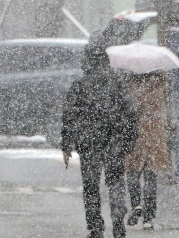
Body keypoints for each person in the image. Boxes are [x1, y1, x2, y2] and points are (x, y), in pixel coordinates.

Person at [61, 47, 139, 238]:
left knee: (90, 186)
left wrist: (66, 144)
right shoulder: (118, 85)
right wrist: (129, 140)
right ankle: (119, 224)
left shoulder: (80, 85)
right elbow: (130, 113)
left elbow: (69, 116)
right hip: (115, 142)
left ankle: (95, 227)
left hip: (89, 143)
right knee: (116, 183)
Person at [123, 71, 172, 231]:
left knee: (132, 173)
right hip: (155, 135)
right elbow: (168, 108)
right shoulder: (161, 84)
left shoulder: (129, 85)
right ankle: (149, 218)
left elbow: (125, 109)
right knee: (151, 176)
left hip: (135, 134)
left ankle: (136, 204)